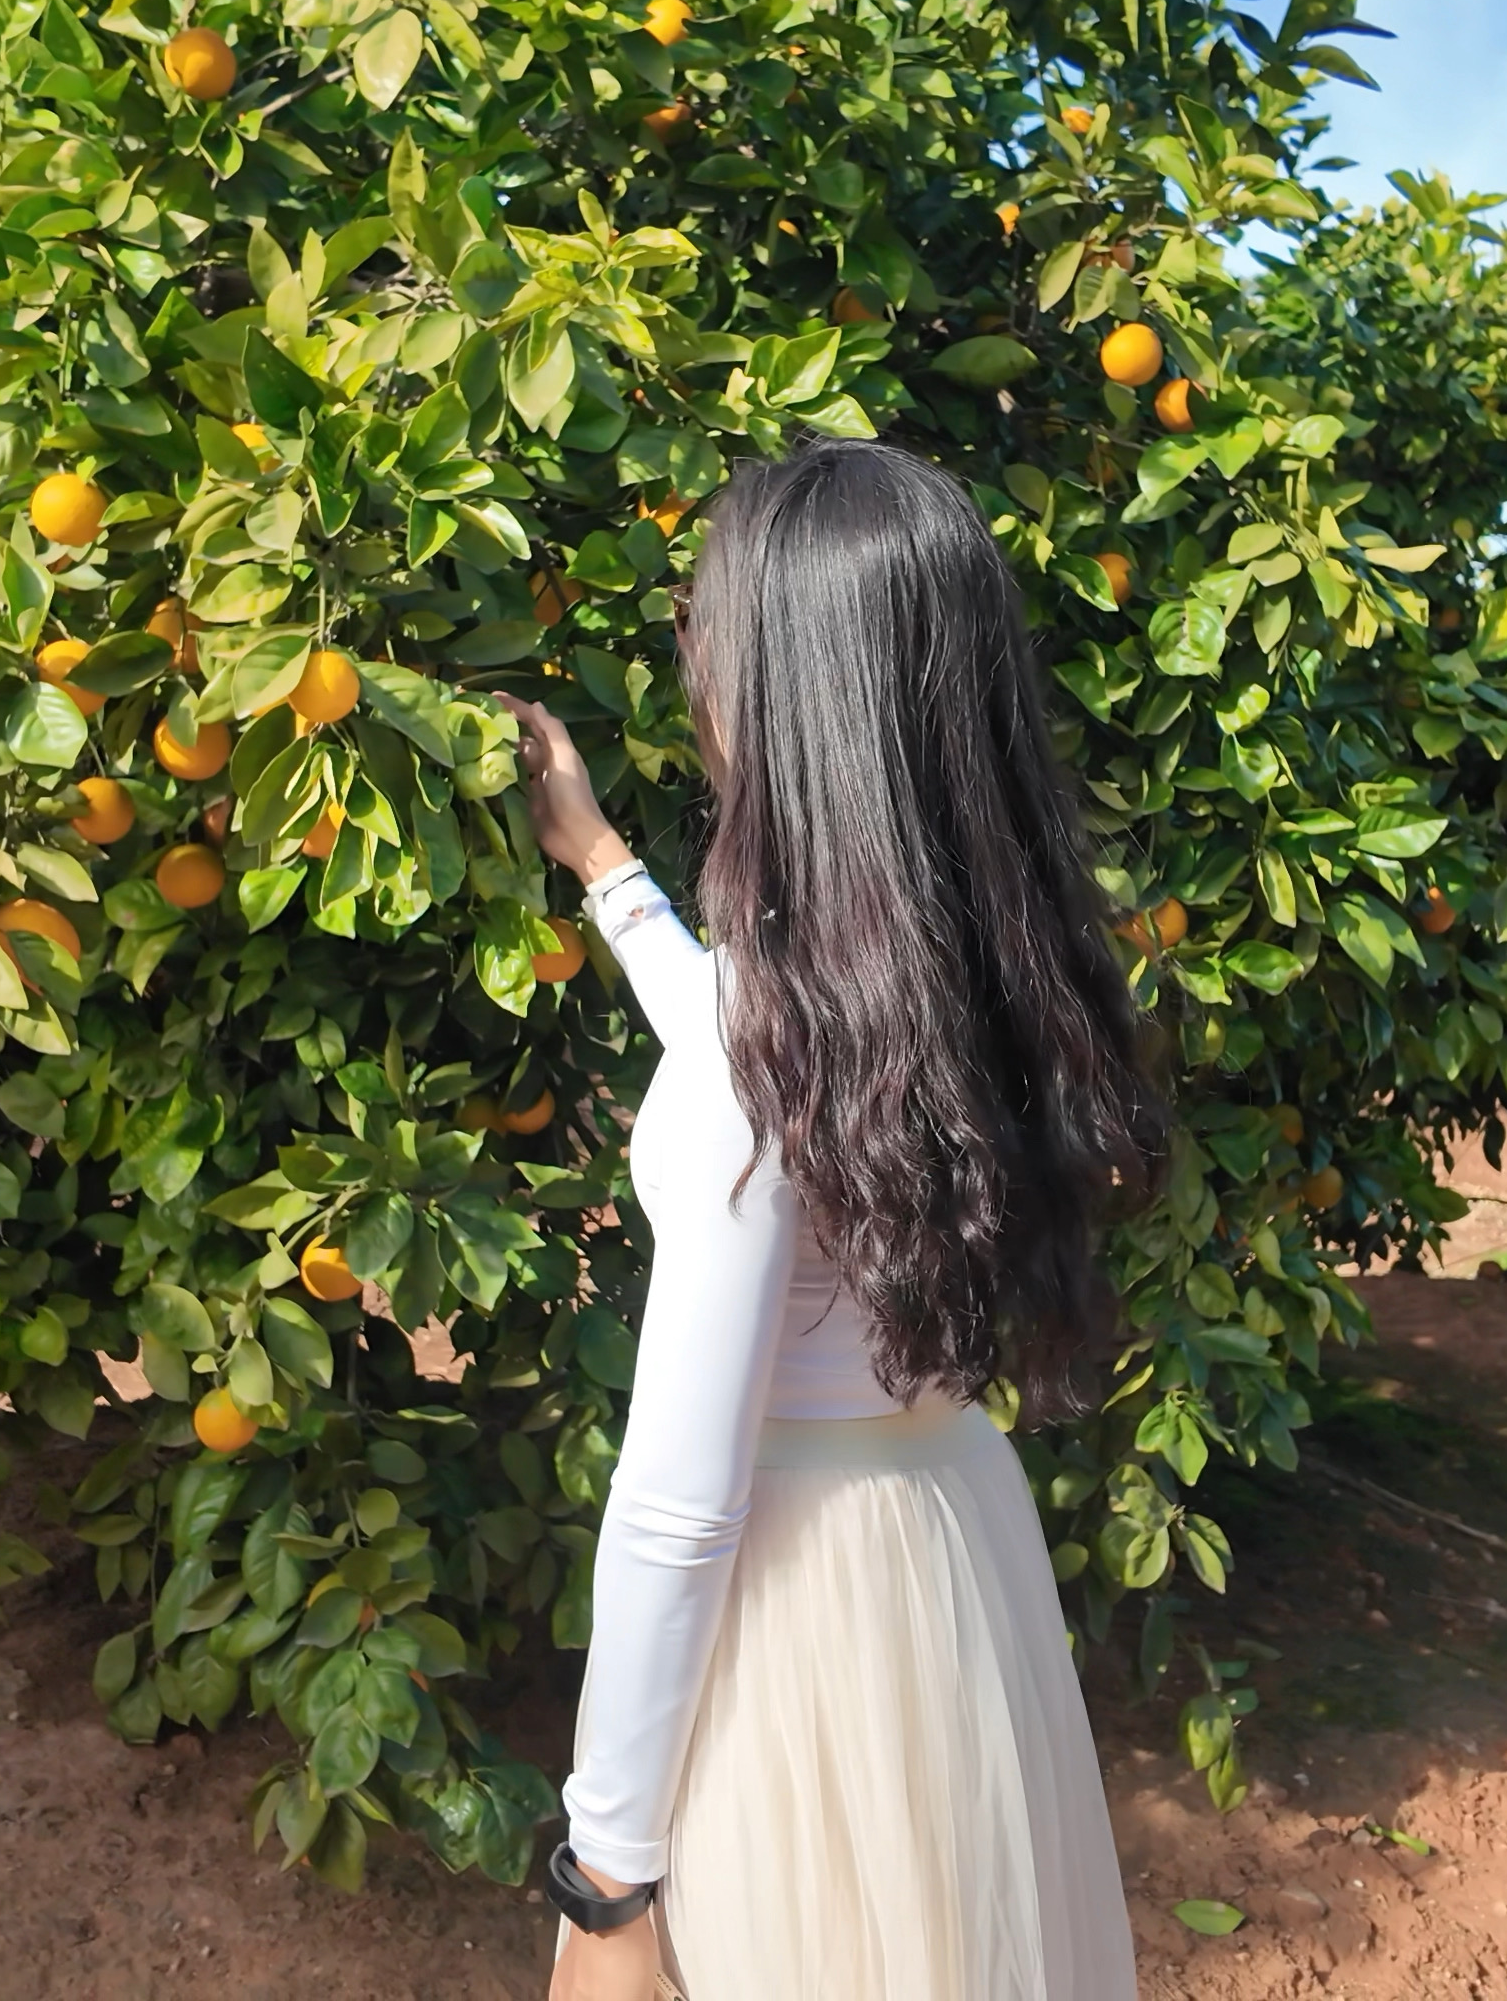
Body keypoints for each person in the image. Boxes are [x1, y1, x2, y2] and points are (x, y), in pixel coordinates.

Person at [506, 436, 1166, 2001]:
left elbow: (678, 1504)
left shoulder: (786, 1037)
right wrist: (604, 868)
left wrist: (604, 1880)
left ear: (778, 682)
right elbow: (751, 1045)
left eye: (702, 626)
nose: (692, 661)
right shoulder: (985, 969)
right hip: (943, 1547)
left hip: (804, 1616)